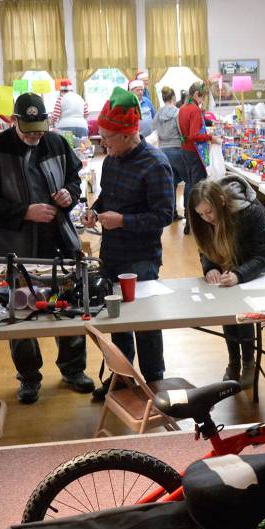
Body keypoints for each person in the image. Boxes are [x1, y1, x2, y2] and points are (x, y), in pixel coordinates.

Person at [0, 92, 92, 404]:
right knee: (21, 313)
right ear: (14, 122)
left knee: (67, 307)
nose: (35, 137)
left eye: (40, 130)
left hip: (59, 242)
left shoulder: (56, 142)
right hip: (16, 246)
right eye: (29, 132)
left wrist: (69, 194)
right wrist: (25, 212)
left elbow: (75, 181)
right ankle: (28, 377)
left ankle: (73, 369)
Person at [83, 87, 174, 385]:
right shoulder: (110, 161)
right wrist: (95, 211)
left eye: (107, 137)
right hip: (112, 253)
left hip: (141, 258)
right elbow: (107, 198)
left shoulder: (155, 164)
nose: (103, 143)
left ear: (126, 135)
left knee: (145, 322)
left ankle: (154, 380)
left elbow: (164, 216)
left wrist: (123, 220)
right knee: (117, 319)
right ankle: (122, 375)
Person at [189, 177, 265, 386]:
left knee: (243, 311)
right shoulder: (205, 220)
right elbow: (206, 247)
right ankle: (234, 362)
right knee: (227, 310)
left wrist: (239, 275)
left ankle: (249, 363)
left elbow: (262, 254)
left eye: (209, 212)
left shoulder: (250, 211)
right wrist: (210, 267)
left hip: (258, 260)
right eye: (201, 214)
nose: (206, 218)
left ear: (221, 200)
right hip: (230, 259)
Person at [178, 81, 220, 234]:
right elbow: (194, 135)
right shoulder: (195, 110)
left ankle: (189, 221)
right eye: (202, 98)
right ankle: (195, 222)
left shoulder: (182, 108)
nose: (203, 101)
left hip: (185, 151)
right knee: (197, 188)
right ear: (196, 95)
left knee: (189, 185)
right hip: (194, 152)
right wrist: (210, 137)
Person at [155, 86, 187, 218]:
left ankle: (172, 212)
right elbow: (182, 131)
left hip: (162, 150)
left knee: (171, 183)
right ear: (174, 98)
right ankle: (189, 213)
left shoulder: (158, 113)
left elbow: (154, 130)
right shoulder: (178, 112)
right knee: (189, 180)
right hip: (176, 149)